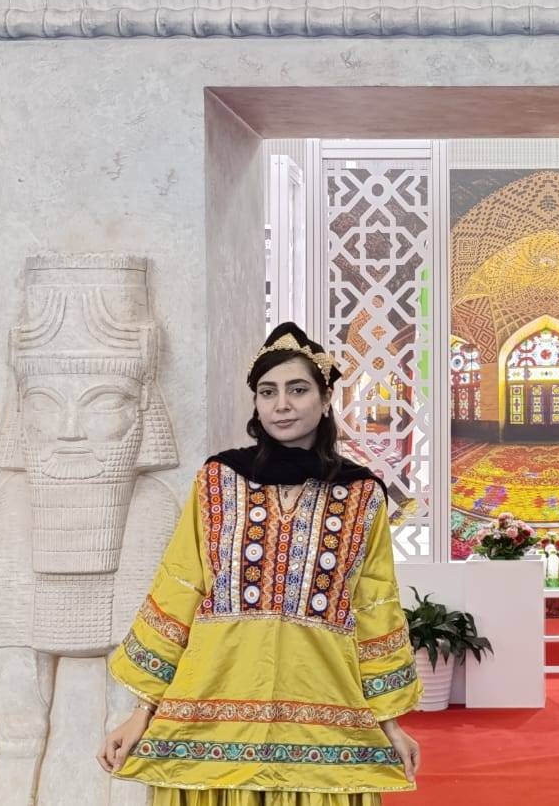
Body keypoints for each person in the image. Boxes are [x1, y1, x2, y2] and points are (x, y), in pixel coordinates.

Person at [97, 322, 423, 805]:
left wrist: (389, 723)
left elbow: (375, 606)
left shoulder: (360, 494)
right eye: (268, 392)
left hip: (323, 726)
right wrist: (141, 712)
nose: (281, 404)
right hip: (209, 721)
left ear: (326, 399)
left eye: (297, 390)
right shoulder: (218, 480)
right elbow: (180, 586)